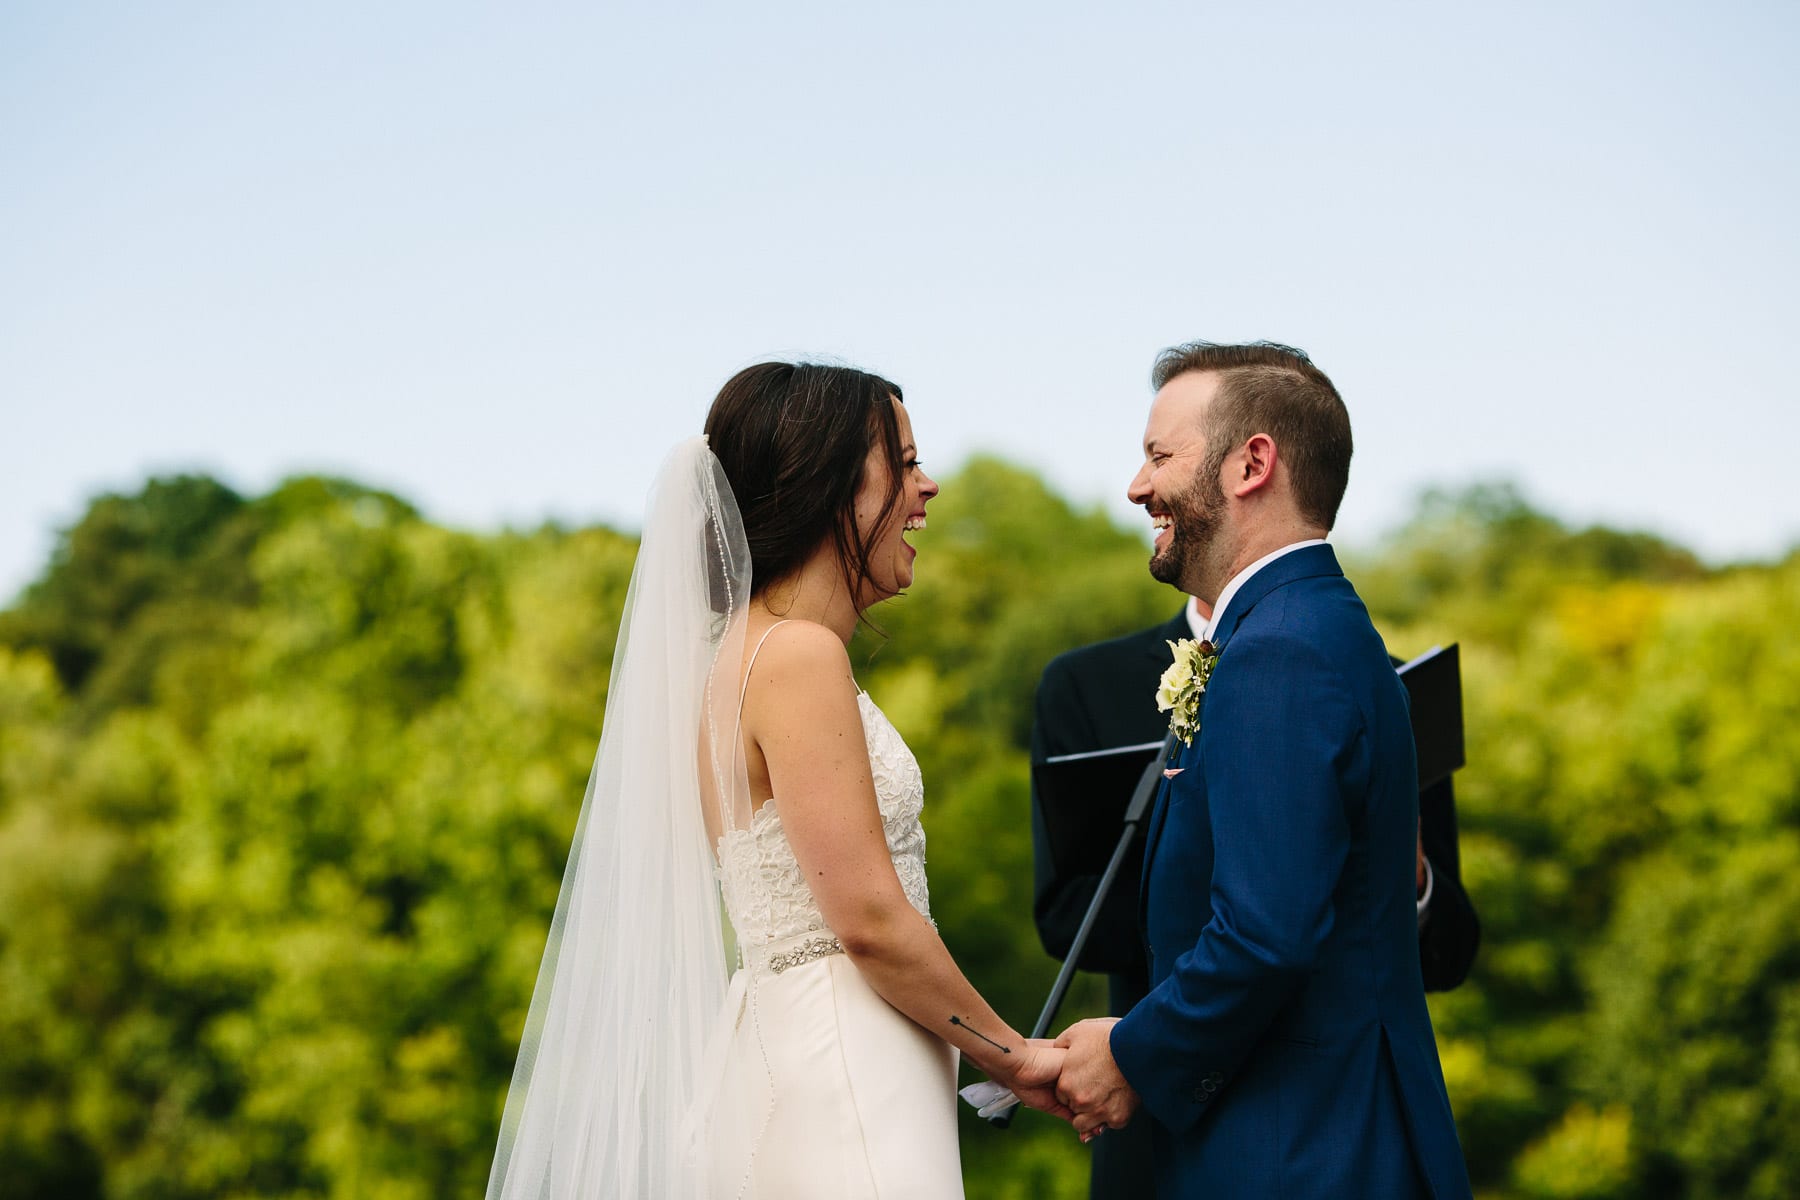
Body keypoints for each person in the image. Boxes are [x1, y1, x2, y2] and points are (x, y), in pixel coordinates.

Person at [485, 362, 1068, 1200]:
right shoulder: (797, 655)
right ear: (832, 482)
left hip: (782, 1044)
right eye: (903, 462)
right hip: (847, 1061)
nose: (927, 487)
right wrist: (1017, 1059)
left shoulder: (727, 662)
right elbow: (868, 919)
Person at [1052, 342, 1473, 1199]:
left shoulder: (1279, 654)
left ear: (1252, 464)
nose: (1138, 487)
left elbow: (1264, 934)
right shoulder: (1316, 629)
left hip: (1298, 1153)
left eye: (1160, 455)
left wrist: (1131, 1053)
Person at [1032, 597, 1481, 1199]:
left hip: (1331, 1122)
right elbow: (1065, 916)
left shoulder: (1383, 685)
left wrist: (1403, 869)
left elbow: (1450, 954)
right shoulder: (1087, 684)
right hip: (1153, 1119)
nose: (1140, 497)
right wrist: (1250, 882)